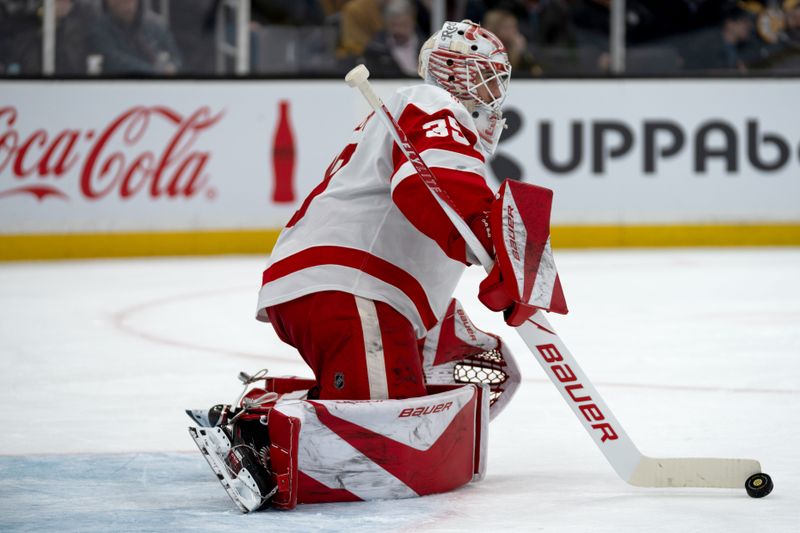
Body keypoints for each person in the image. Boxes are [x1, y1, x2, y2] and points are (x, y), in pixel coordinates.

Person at [189, 19, 565, 512]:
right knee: (385, 447)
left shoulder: (427, 123)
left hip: (368, 293)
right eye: (491, 78)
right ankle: (254, 436)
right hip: (351, 290)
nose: (497, 94)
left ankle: (275, 405)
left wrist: (502, 256)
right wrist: (492, 236)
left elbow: (431, 206)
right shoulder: (434, 104)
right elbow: (431, 187)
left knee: (487, 370)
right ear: (460, 74)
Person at [90, 0, 182, 75]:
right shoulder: (100, 27)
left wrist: (173, 67)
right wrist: (154, 71)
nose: (123, 4)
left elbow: (175, 56)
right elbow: (113, 60)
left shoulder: (156, 25)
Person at [362, 0, 425, 76]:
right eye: (395, 25)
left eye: (403, 24)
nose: (399, 31)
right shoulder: (376, 49)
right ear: (387, 24)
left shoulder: (427, 45)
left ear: (412, 20)